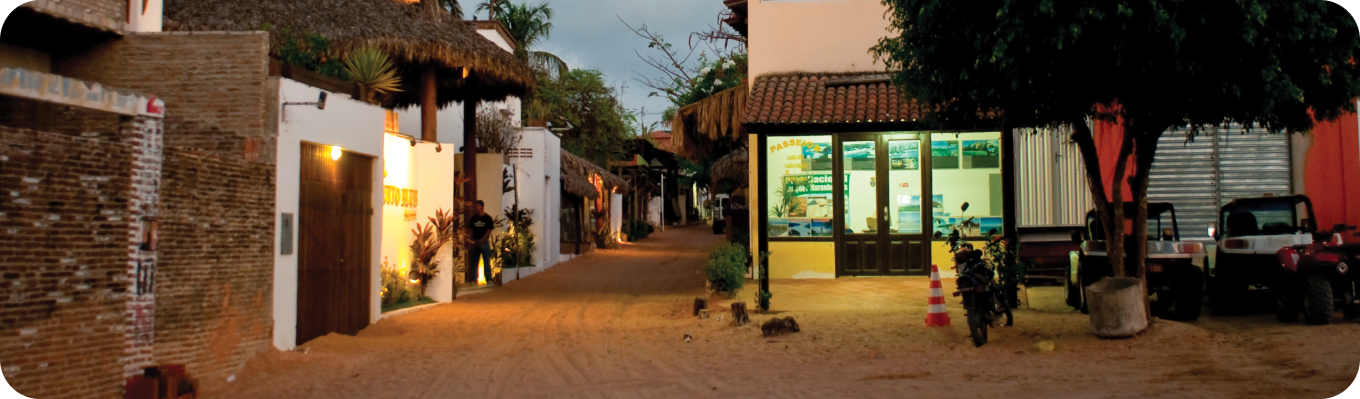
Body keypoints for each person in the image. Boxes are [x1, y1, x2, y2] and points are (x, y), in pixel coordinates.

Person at [469, 200, 497, 285]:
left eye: (477, 206)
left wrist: (482, 239)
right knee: (475, 261)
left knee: (486, 260)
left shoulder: (487, 218)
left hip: (484, 242)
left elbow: (489, 230)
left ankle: (488, 278)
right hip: (475, 242)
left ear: (481, 206)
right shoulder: (474, 218)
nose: (476, 208)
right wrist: (472, 239)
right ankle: (474, 279)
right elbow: (470, 228)